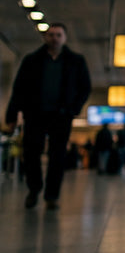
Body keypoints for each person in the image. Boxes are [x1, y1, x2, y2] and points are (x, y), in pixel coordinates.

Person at [4, 23, 92, 209]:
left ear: (65, 38)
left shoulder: (76, 61)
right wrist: (12, 114)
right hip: (35, 114)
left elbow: (85, 88)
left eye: (58, 35)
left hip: (61, 116)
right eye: (51, 35)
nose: (54, 38)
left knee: (57, 155)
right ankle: (34, 189)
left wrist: (73, 108)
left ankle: (52, 195)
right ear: (45, 37)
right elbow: (19, 88)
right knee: (31, 152)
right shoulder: (32, 60)